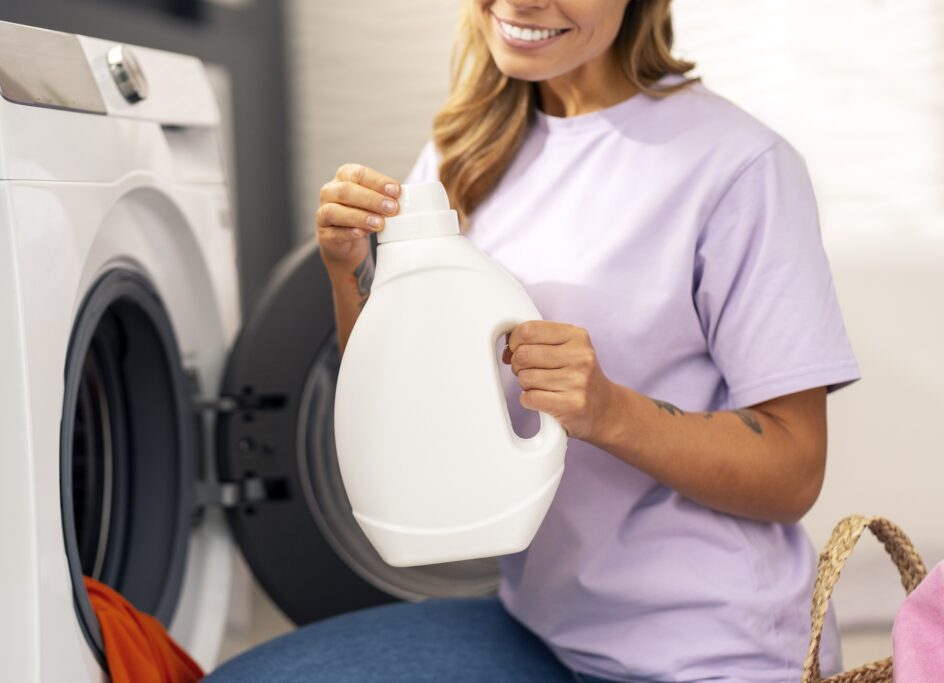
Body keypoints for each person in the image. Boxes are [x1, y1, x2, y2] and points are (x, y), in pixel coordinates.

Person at [207, 1, 860, 681]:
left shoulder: (739, 166)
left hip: (709, 651)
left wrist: (609, 412)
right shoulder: (465, 153)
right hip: (540, 628)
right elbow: (409, 405)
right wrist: (349, 270)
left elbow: (794, 468)